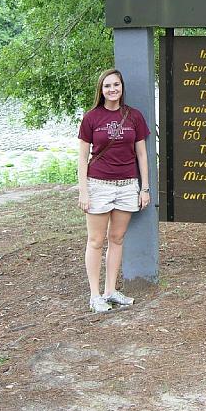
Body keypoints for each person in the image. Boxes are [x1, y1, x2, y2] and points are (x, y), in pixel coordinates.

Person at [78, 68, 151, 313]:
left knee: (117, 239)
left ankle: (110, 291)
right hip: (98, 185)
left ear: (122, 88)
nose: (112, 89)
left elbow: (141, 154)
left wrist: (145, 188)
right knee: (96, 241)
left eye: (116, 85)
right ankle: (95, 295)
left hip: (127, 185)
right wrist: (84, 192)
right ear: (101, 89)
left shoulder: (134, 117)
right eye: (107, 85)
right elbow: (81, 159)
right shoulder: (91, 118)